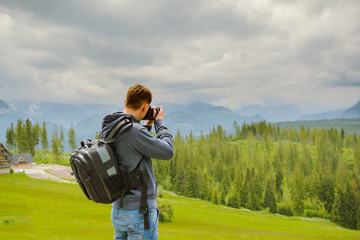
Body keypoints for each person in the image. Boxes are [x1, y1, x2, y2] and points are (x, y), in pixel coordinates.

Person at [100, 84, 174, 240]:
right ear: (145, 106)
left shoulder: (110, 128)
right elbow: (167, 151)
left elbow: (130, 151)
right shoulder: (134, 131)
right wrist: (160, 123)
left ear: (125, 101)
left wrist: (146, 126)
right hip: (140, 213)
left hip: (119, 211)